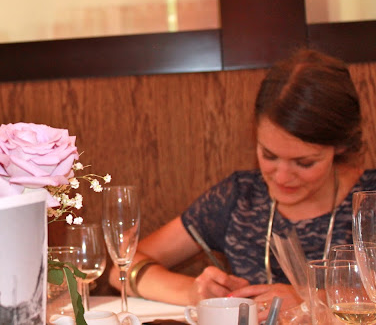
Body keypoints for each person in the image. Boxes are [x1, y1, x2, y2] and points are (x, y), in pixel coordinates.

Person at [109, 49, 376, 320]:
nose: (282, 177)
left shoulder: (370, 201)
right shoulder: (240, 196)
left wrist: (311, 299)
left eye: (304, 163)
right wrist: (194, 291)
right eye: (269, 155)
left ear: (340, 146)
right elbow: (122, 268)